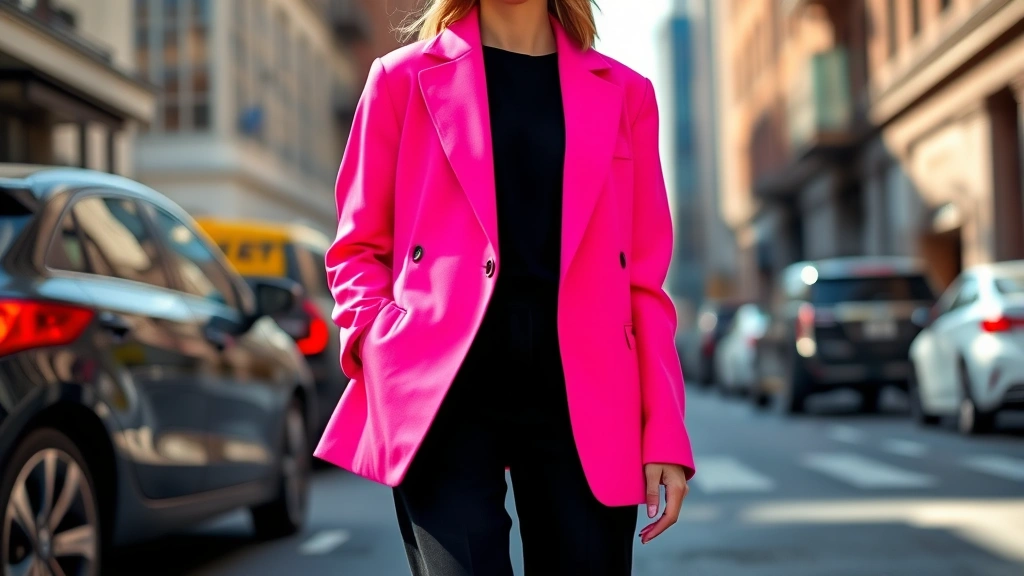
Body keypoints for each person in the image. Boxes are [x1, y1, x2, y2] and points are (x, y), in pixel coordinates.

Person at [314, 0, 695, 573]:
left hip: (586, 394)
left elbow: (644, 282)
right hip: (444, 392)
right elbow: (357, 246)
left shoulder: (626, 93)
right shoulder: (401, 80)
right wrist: (380, 342)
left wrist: (663, 428)